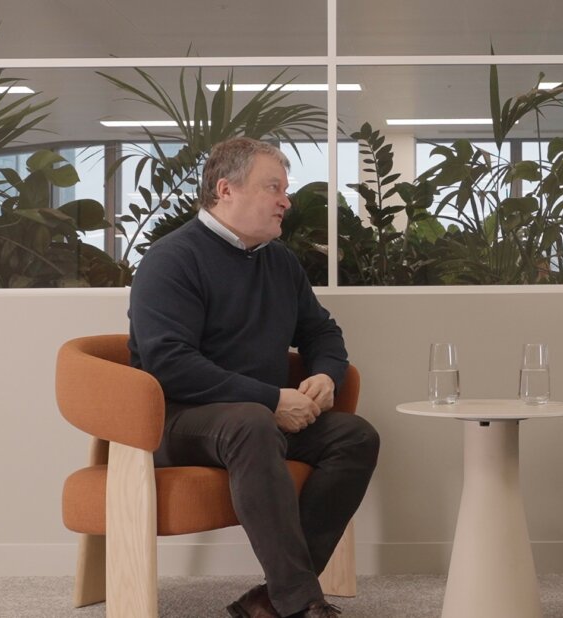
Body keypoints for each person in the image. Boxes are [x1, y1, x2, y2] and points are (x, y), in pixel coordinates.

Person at [128, 137, 380, 618]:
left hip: (258, 415)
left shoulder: (278, 261)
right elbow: (168, 363)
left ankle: (273, 597)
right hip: (179, 419)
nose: (286, 200)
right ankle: (302, 603)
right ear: (226, 189)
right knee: (251, 421)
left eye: (285, 189)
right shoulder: (171, 260)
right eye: (273, 188)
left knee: (354, 436)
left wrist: (327, 376)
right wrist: (270, 399)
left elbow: (321, 332)